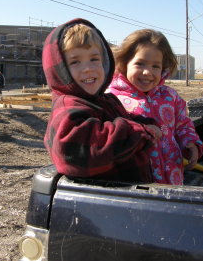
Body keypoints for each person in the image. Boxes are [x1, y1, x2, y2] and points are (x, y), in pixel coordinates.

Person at [42, 18, 161, 182]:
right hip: (109, 201)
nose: (88, 68)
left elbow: (126, 120)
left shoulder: (106, 100)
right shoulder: (68, 108)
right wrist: (140, 132)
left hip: (130, 194)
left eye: (94, 59)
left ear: (105, 61)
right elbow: (80, 151)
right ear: (59, 70)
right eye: (75, 61)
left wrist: (146, 123)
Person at [109, 29, 203, 185]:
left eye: (155, 66)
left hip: (173, 179)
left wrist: (190, 143)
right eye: (140, 64)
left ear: (164, 68)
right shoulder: (112, 98)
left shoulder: (170, 97)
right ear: (124, 63)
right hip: (136, 184)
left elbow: (182, 125)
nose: (148, 72)